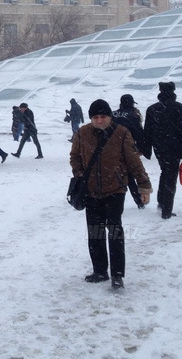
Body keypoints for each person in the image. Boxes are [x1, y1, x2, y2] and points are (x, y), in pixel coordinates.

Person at [70, 99, 152, 289]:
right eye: (95, 117)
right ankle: (99, 271)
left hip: (115, 189)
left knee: (115, 231)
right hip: (91, 192)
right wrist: (80, 173)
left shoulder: (121, 133)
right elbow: (74, 156)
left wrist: (144, 186)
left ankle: (117, 274)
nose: (99, 120)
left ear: (109, 116)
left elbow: (134, 162)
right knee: (95, 233)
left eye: (103, 116)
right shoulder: (83, 133)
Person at [142, 82, 182, 220]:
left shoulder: (152, 109)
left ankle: (161, 202)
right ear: (173, 91)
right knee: (170, 177)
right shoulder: (178, 107)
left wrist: (147, 149)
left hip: (159, 148)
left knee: (165, 172)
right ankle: (166, 210)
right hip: (174, 147)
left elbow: (147, 131)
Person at [112, 94, 146, 208]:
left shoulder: (113, 114)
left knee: (113, 175)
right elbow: (139, 133)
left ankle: (112, 201)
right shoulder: (134, 115)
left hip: (112, 149)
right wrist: (141, 148)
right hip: (128, 148)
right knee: (130, 176)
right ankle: (139, 201)